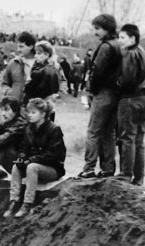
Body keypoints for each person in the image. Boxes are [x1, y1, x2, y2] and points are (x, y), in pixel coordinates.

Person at [4, 98, 66, 218]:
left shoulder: (54, 129)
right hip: (33, 163)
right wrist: (21, 157)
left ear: (43, 114)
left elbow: (54, 155)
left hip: (52, 168)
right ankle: (14, 201)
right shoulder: (29, 128)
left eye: (33, 113)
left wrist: (32, 160)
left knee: (32, 167)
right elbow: (24, 147)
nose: (29, 115)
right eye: (28, 112)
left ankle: (27, 204)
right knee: (16, 167)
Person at [78, 14, 122, 178]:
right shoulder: (119, 45)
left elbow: (97, 72)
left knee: (93, 131)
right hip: (115, 94)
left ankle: (88, 168)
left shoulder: (105, 47)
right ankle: (108, 168)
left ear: (107, 28)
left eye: (97, 28)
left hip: (102, 93)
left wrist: (91, 90)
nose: (94, 31)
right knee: (109, 132)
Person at [116, 24, 145, 185]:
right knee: (139, 140)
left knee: (127, 137)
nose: (120, 41)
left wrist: (117, 85)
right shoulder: (142, 52)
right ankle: (139, 178)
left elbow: (127, 79)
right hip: (143, 98)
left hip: (130, 98)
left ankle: (126, 174)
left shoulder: (129, 54)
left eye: (122, 37)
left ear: (132, 38)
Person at [24, 41, 60, 114]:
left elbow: (30, 90)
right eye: (35, 53)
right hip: (47, 108)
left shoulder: (42, 71)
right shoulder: (53, 69)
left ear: (46, 55)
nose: (35, 56)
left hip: (38, 109)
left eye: (38, 53)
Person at [1, 32, 36, 103]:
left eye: (21, 46)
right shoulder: (13, 63)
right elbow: (5, 83)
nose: (18, 50)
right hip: (16, 105)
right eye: (18, 46)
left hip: (35, 108)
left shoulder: (40, 64)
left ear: (31, 46)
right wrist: (9, 93)